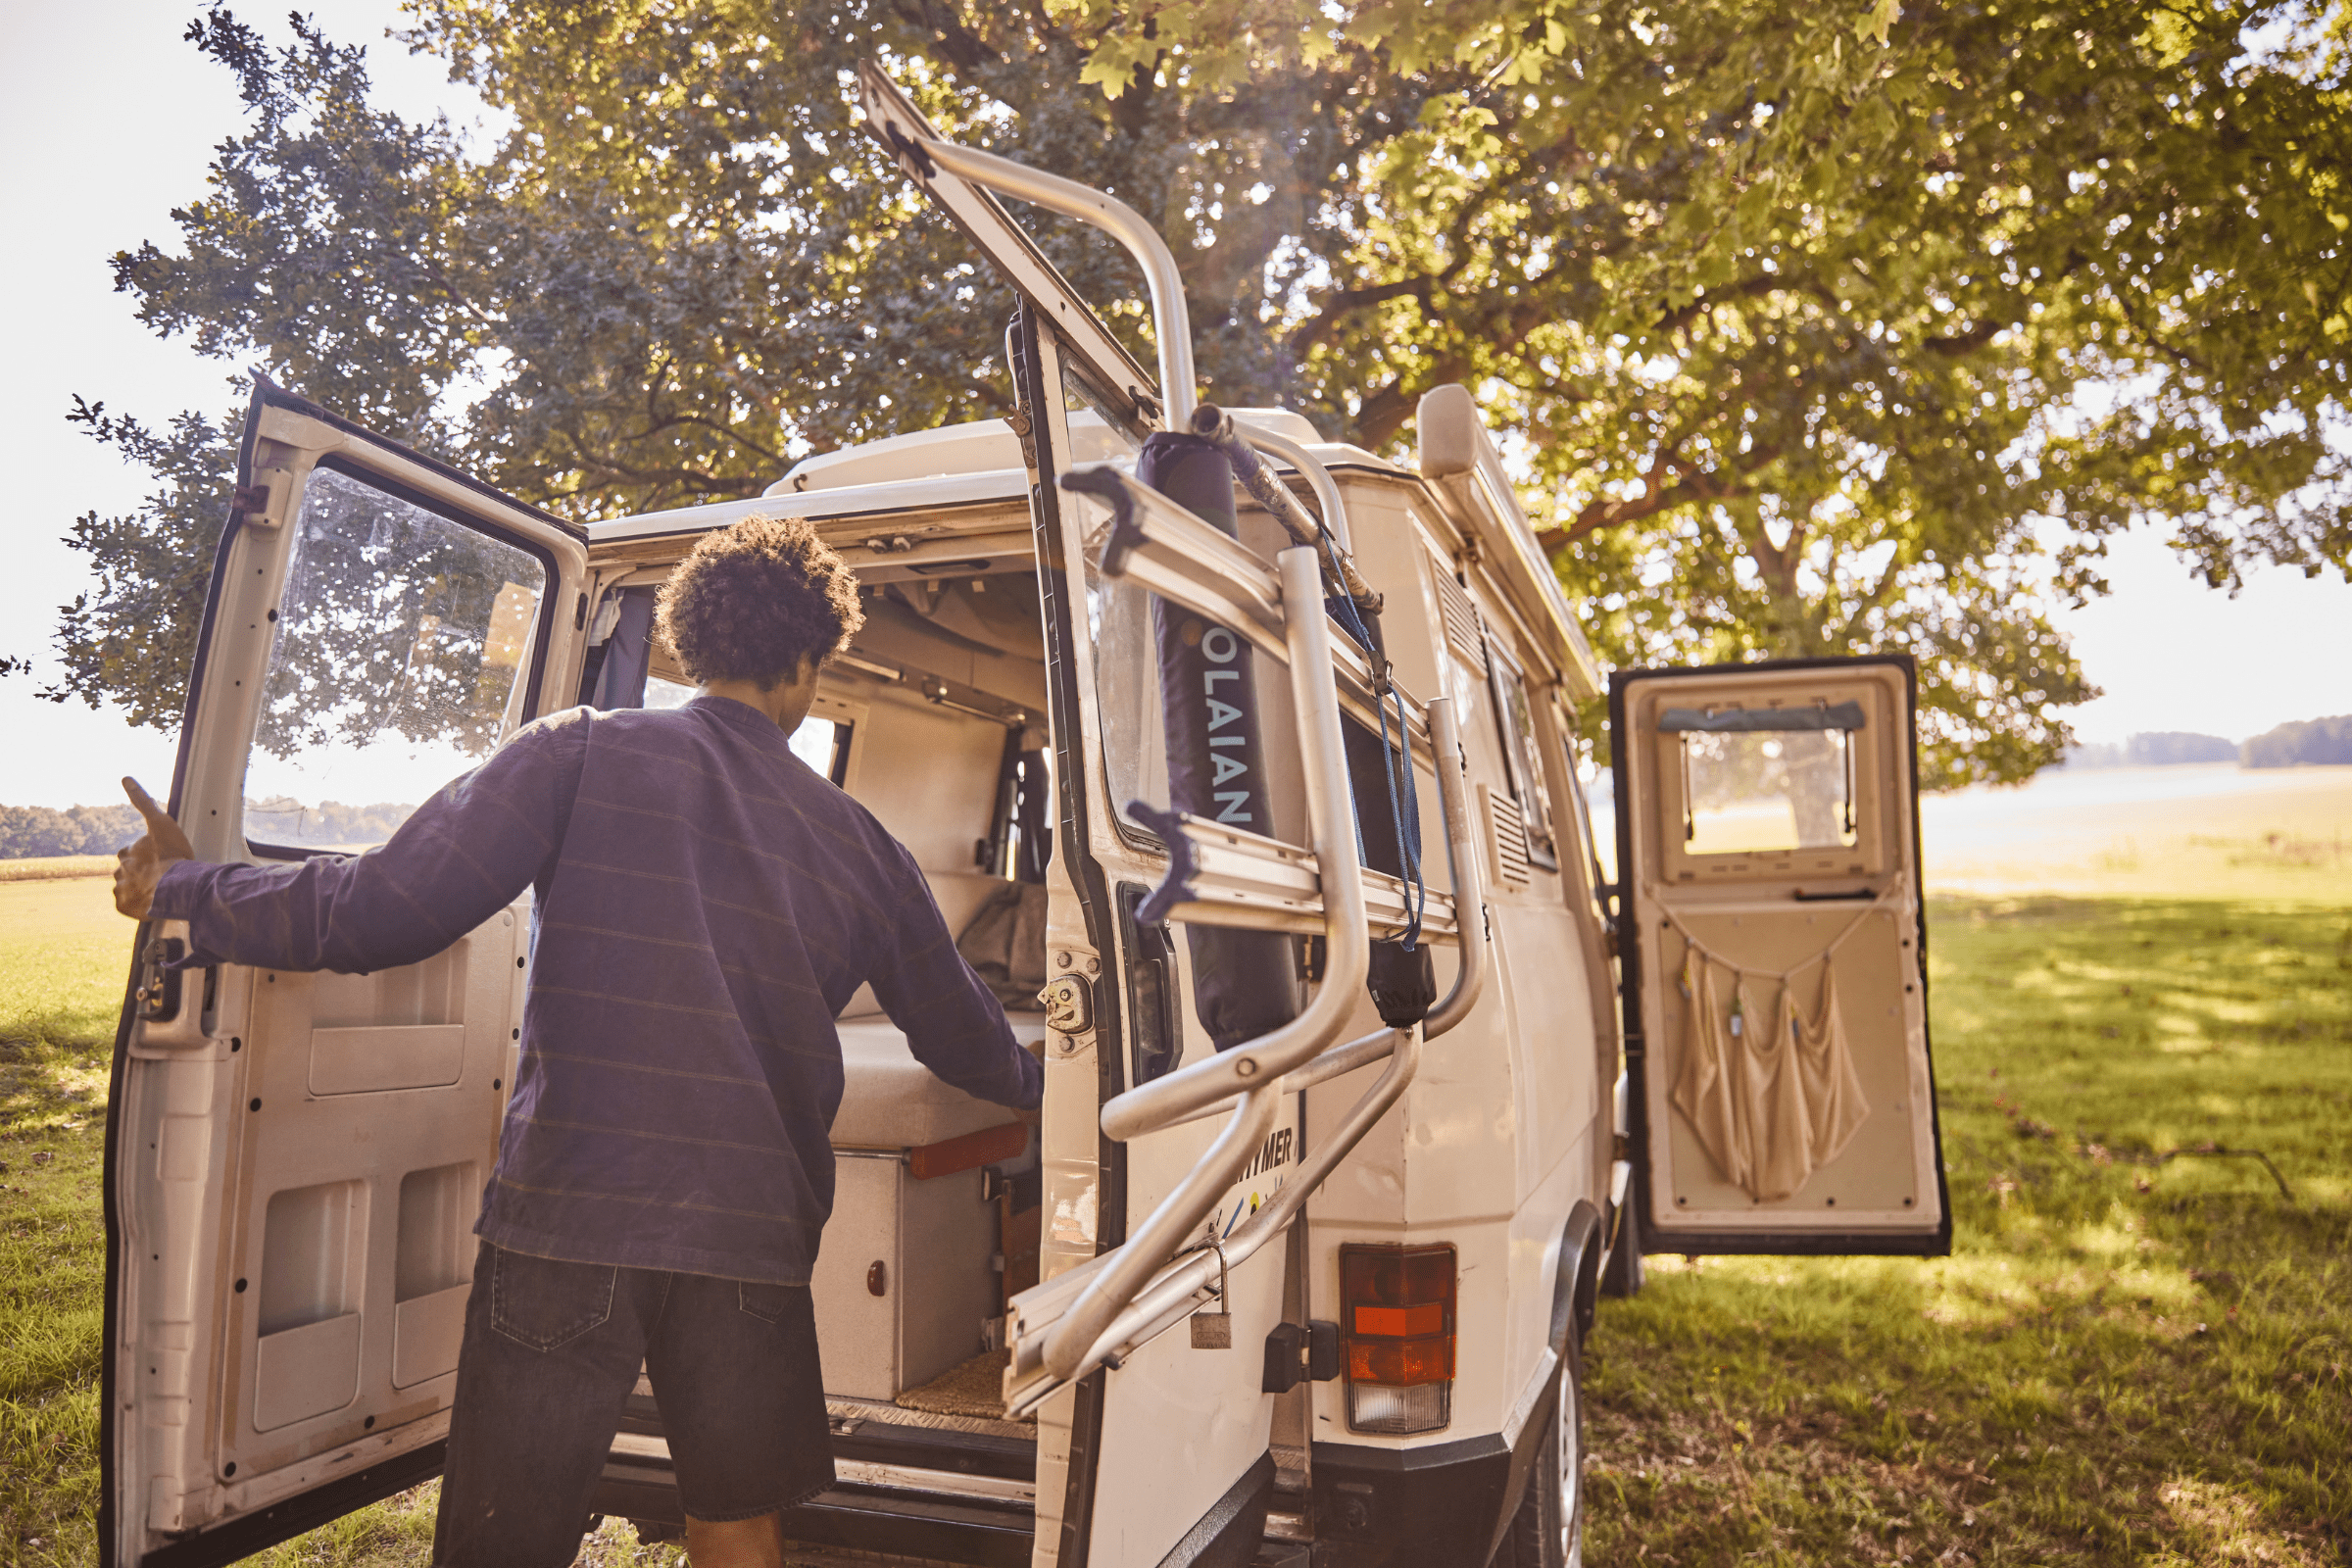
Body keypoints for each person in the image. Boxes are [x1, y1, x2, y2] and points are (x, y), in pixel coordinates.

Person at [112, 515, 1044, 1568]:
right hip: (751, 1229)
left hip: (570, 1210)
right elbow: (965, 1037)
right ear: (806, 663)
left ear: (695, 647)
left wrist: (188, 889)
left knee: (507, 1540)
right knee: (737, 1517)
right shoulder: (863, 843)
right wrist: (1056, 1083)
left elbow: (383, 908)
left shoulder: (581, 748)